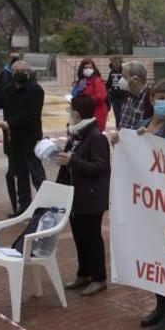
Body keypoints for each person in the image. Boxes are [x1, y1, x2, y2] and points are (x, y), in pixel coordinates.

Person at [122, 80, 165, 330]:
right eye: (159, 96)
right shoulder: (141, 126)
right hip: (147, 205)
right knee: (153, 257)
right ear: (151, 99)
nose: (164, 101)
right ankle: (160, 306)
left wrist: (150, 143)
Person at [58, 94, 111, 297]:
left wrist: (72, 161)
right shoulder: (76, 134)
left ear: (77, 114)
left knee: (92, 238)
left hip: (91, 197)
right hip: (75, 195)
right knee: (79, 237)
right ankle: (84, 273)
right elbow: (71, 159)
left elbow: (100, 167)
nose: (69, 114)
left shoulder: (96, 137)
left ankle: (99, 278)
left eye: (70, 110)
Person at [0, 60, 46, 217]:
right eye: (15, 71)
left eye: (22, 71)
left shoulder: (35, 90)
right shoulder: (9, 89)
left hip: (30, 138)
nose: (18, 74)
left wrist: (9, 123)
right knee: (20, 174)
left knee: (36, 174)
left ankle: (46, 205)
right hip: (13, 140)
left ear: (28, 73)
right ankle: (24, 206)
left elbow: (31, 114)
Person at [71, 58, 108, 131]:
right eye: (85, 67)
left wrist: (83, 101)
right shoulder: (80, 82)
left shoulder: (97, 81)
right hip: (81, 114)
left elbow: (100, 97)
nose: (88, 69)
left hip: (96, 113)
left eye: (90, 67)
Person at [116, 61, 153, 131]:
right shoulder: (127, 96)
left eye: (124, 77)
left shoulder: (150, 98)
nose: (120, 80)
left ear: (135, 80)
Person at [106, 55, 128, 128]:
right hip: (115, 97)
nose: (110, 64)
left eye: (111, 62)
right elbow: (109, 83)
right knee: (118, 116)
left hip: (122, 97)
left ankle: (122, 129)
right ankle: (119, 129)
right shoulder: (112, 71)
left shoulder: (124, 71)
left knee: (121, 115)